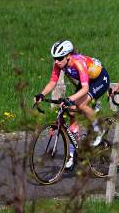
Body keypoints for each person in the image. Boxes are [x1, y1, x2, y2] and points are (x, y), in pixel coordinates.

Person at [34, 40, 110, 169]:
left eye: (59, 58)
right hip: (85, 81)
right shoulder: (58, 64)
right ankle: (72, 153)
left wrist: (69, 98)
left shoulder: (78, 63)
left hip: (99, 80)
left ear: (68, 56)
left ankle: (99, 128)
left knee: (80, 105)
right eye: (54, 58)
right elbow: (52, 82)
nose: (56, 61)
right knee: (71, 111)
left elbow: (85, 89)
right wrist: (41, 94)